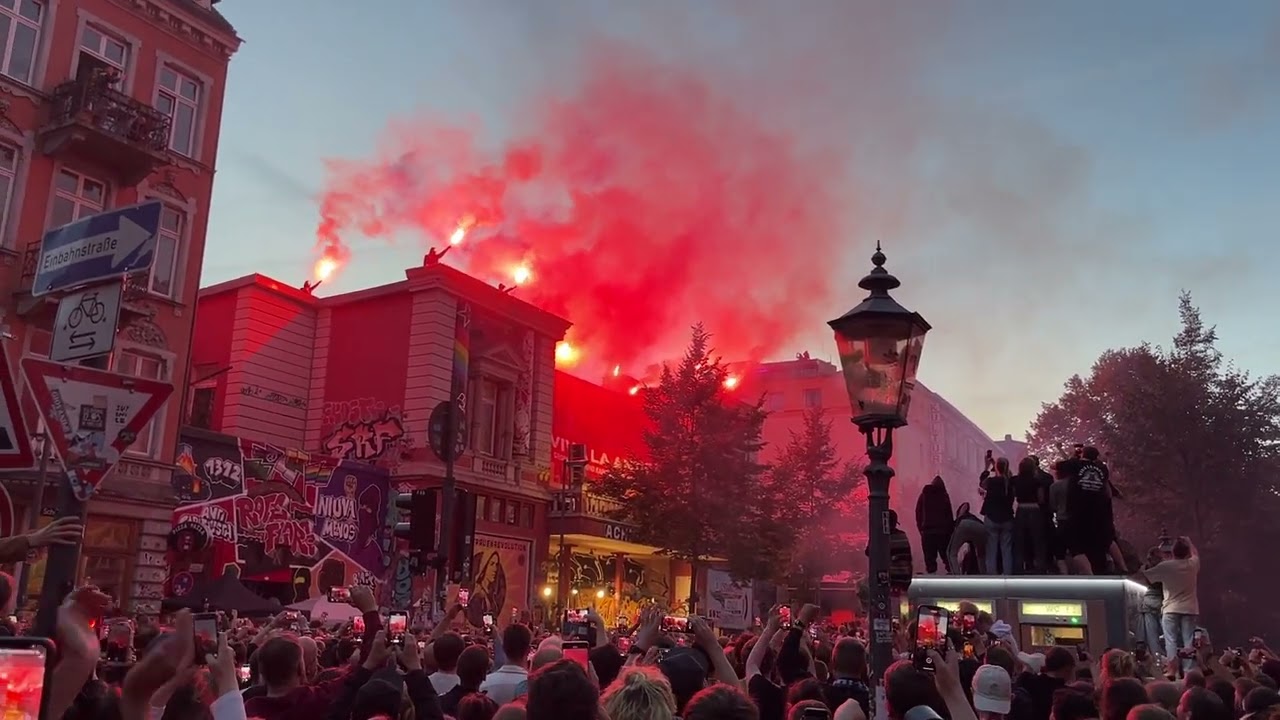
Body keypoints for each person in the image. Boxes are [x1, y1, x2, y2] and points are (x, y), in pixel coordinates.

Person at [1136, 536, 1200, 672]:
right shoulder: (1193, 564)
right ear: (1187, 553)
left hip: (1170, 608)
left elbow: (1145, 576)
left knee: (1170, 641)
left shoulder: (1166, 566)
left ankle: (1172, 670)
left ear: (1173, 553)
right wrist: (1189, 542)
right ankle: (1189, 670)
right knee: (1188, 641)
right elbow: (1195, 554)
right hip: (1190, 608)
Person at [980, 455, 1016, 575]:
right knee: (1007, 549)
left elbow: (982, 484)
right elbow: (1006, 476)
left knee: (991, 549)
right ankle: (1007, 575)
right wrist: (996, 465)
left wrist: (987, 466)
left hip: (991, 517)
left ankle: (992, 576)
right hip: (1007, 518)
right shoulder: (1011, 482)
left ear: (996, 468)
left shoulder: (991, 482)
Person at [1012, 457, 1048, 573]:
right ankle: (1040, 567)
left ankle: (1018, 567)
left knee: (1019, 540)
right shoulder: (1037, 481)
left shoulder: (1016, 480)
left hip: (1021, 508)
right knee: (1037, 539)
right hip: (1034, 509)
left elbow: (1013, 494)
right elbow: (1041, 498)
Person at [916, 476, 955, 574]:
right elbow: (949, 515)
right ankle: (952, 575)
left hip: (927, 532)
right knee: (946, 557)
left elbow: (918, 513)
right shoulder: (944, 496)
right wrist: (950, 531)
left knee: (930, 560)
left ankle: (932, 577)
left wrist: (921, 530)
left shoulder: (924, 495)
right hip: (943, 533)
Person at [947, 502, 988, 575]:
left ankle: (956, 576)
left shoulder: (960, 518)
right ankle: (984, 575)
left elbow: (965, 505)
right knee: (981, 554)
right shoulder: (974, 517)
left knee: (951, 553)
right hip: (981, 527)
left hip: (965, 524)